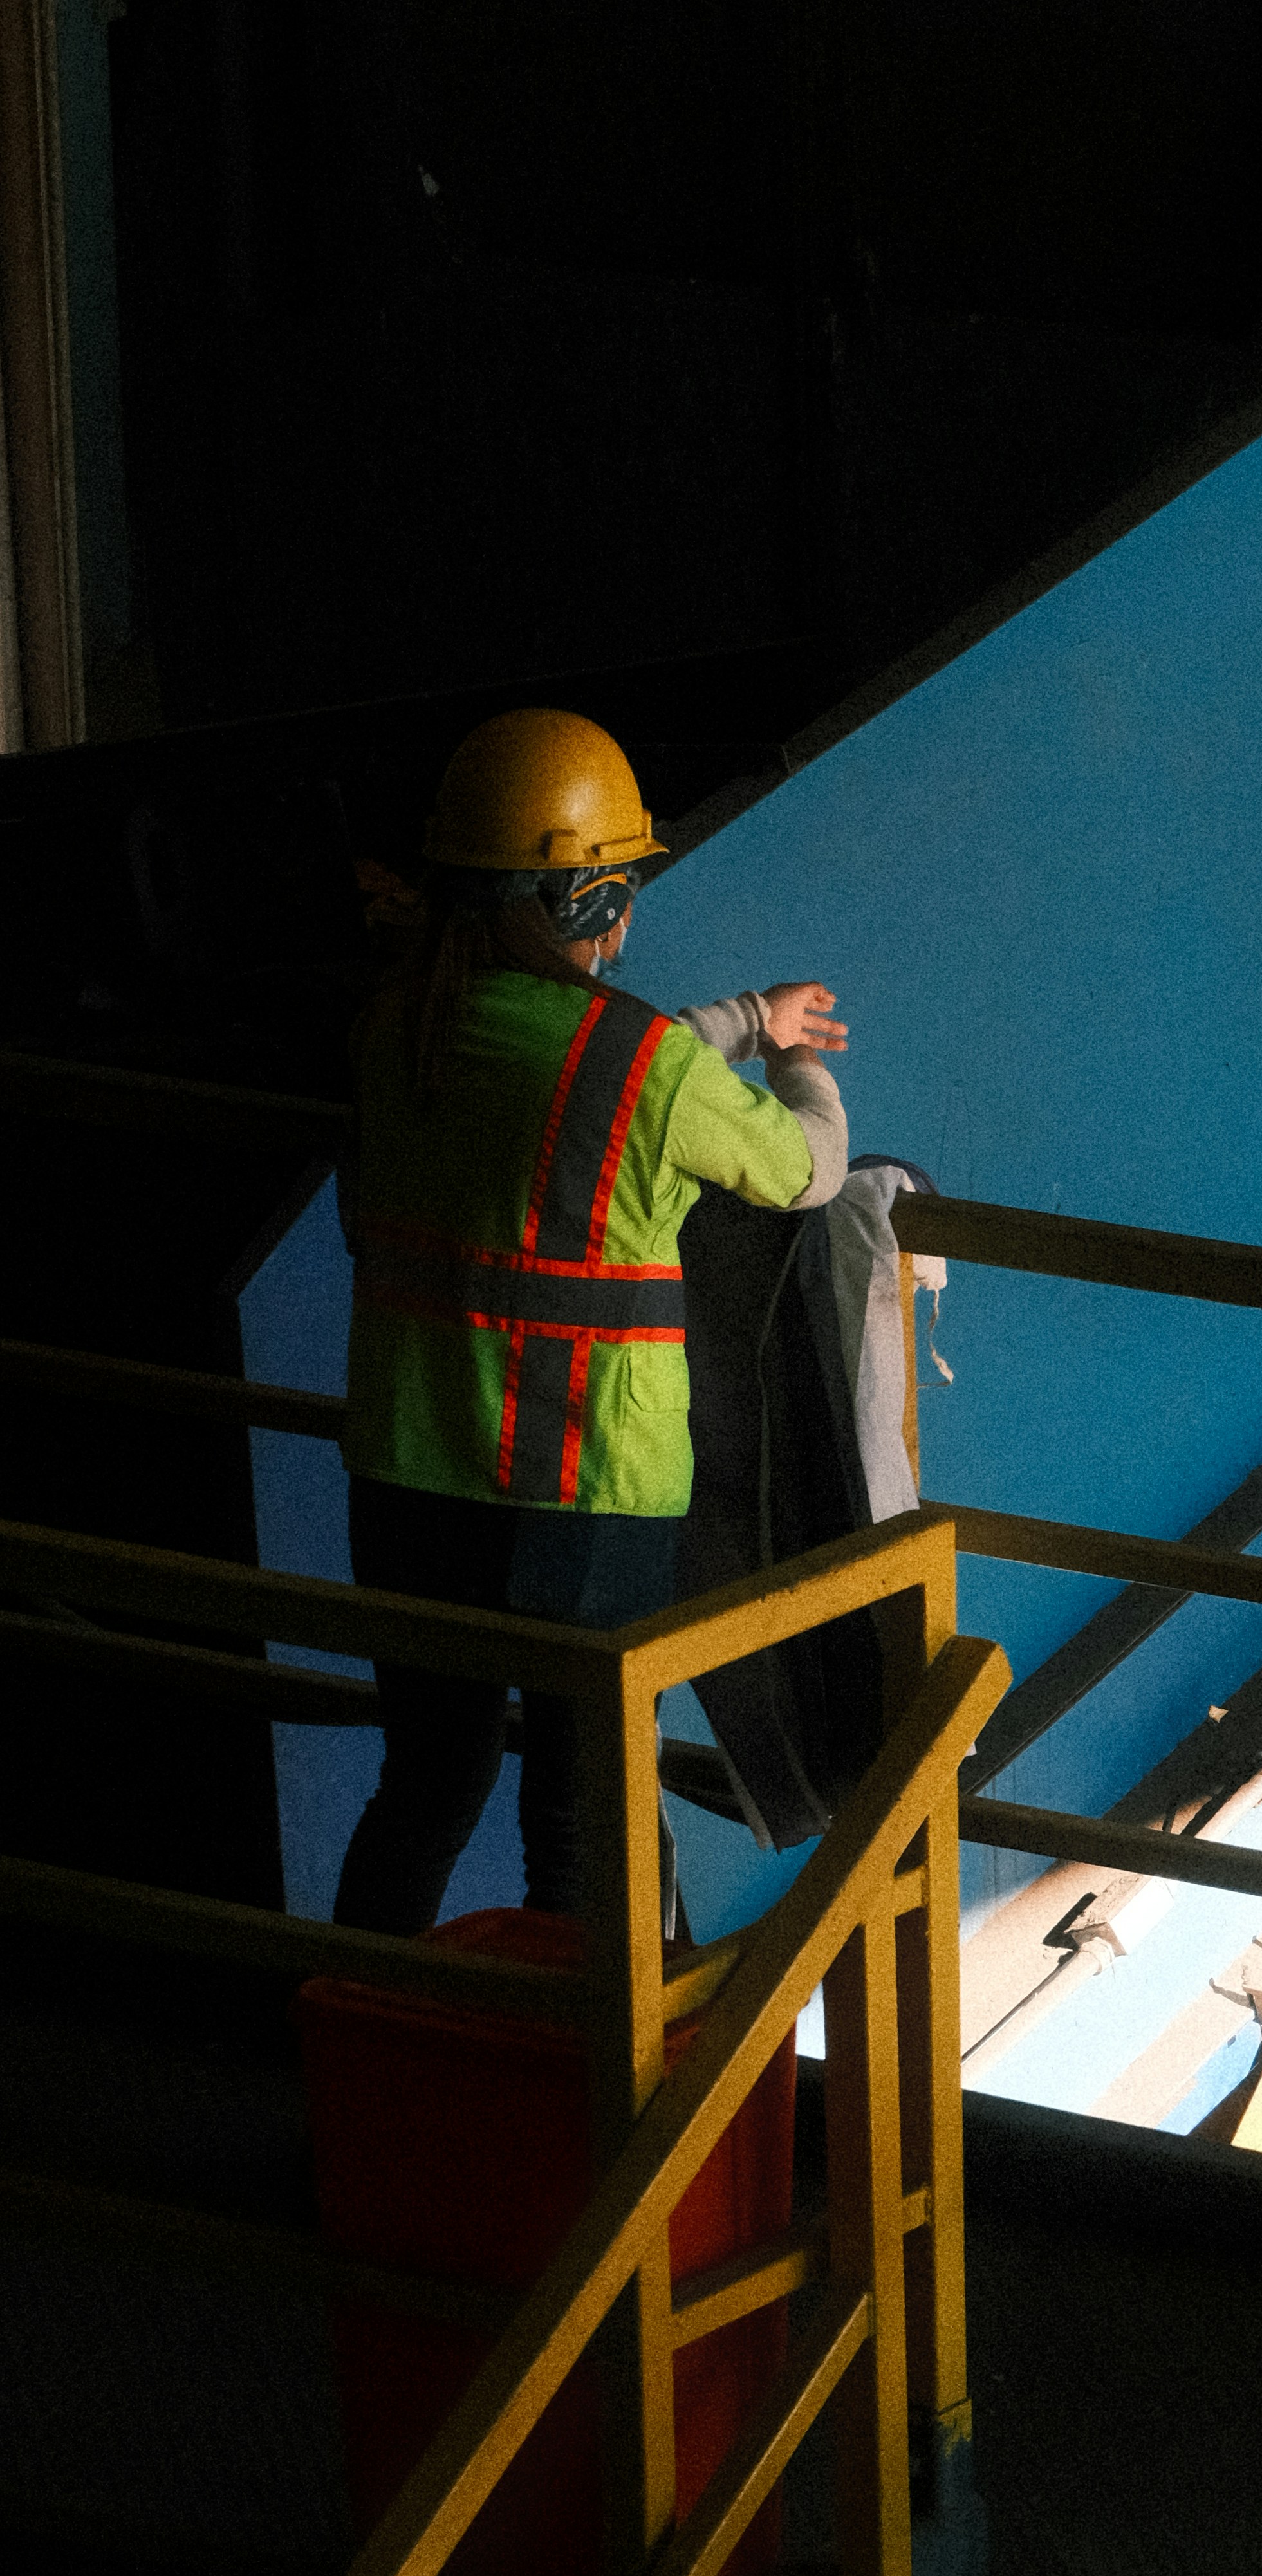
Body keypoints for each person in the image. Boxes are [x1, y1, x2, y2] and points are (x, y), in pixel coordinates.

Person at [333, 703, 853, 1942]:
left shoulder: (394, 1027)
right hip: (587, 1498)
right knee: (582, 1814)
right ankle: (577, 2054)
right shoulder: (645, 1067)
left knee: (426, 1787)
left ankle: (345, 2014)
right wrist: (795, 1062)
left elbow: (595, 1064)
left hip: (410, 1485)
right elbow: (810, 1169)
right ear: (593, 898)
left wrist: (746, 1015)